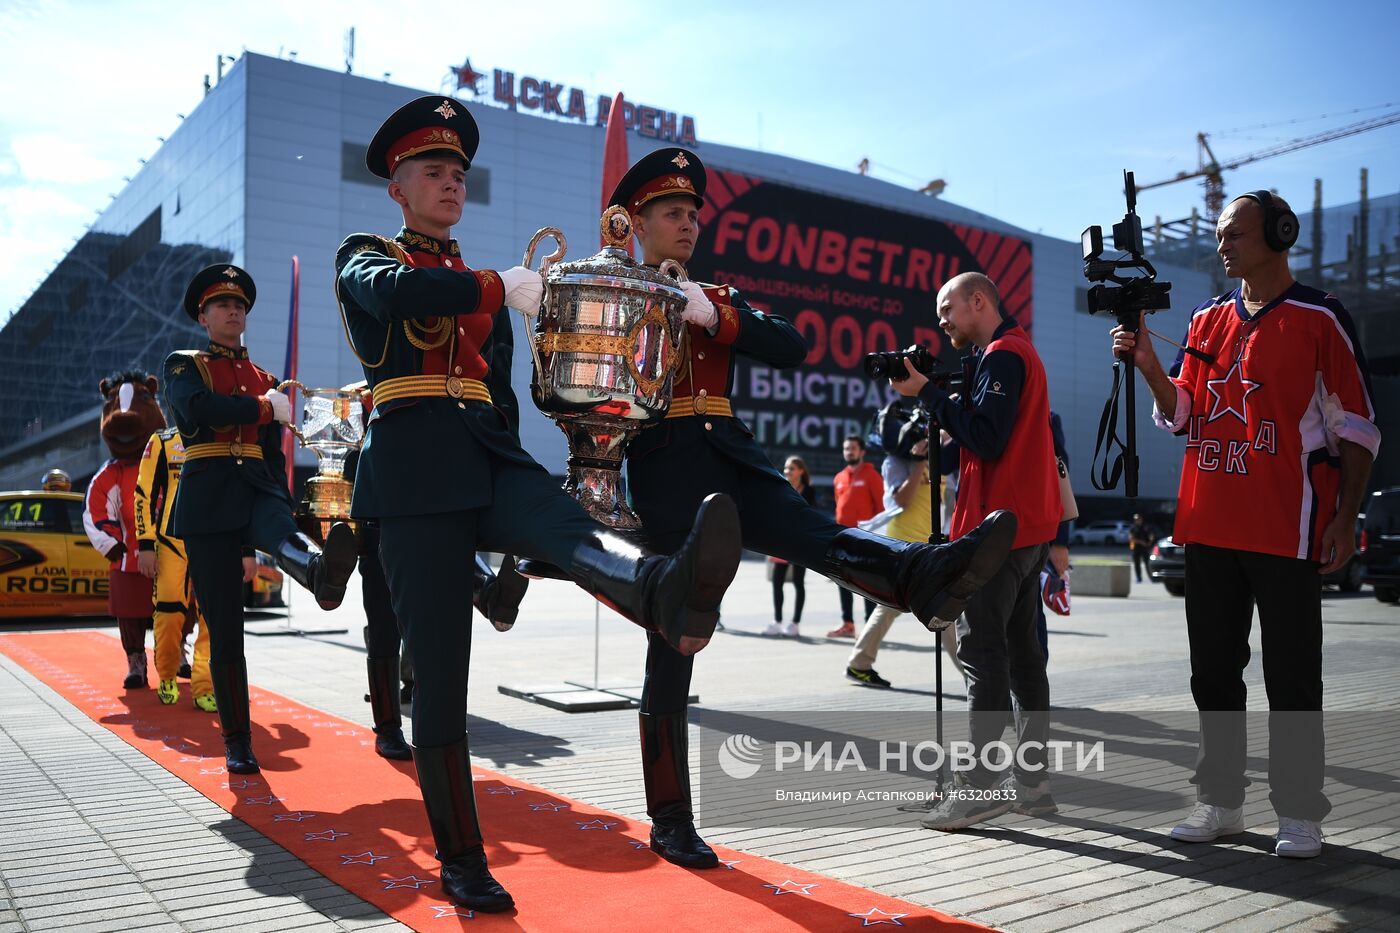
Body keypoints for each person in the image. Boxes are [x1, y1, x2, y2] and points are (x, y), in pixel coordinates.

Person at [334, 97, 743, 913]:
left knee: (568, 523)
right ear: (398, 189)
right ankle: (460, 858)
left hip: (483, 448)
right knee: (443, 679)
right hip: (413, 472)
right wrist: (489, 284)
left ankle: (666, 590)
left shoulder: (485, 285)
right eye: (433, 172)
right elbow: (394, 297)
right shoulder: (368, 253)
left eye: (458, 173)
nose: (451, 184)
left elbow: (498, 389)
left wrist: (519, 456)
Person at [615, 147, 1017, 869]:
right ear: (635, 221)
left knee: (820, 536)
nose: (688, 224)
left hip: (732, 455)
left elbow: (793, 343)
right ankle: (671, 817)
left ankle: (927, 575)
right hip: (665, 470)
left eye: (693, 213)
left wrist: (714, 314)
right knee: (673, 644)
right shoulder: (611, 290)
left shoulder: (716, 296)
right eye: (672, 213)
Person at [1111, 190, 1378, 859]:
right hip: (1205, 523)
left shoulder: (1321, 318)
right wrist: (1147, 365)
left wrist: (1346, 516)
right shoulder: (1204, 322)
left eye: (1235, 232)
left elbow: (1358, 429)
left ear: (1279, 234)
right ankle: (1222, 801)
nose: (1223, 244)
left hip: (1287, 526)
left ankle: (1298, 812)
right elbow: (1183, 415)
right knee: (1213, 674)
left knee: (1292, 675)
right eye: (1222, 233)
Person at [164, 264, 359, 778]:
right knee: (227, 629)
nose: (234, 312)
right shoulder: (185, 365)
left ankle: (318, 571)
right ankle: (237, 740)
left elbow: (273, 454)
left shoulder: (268, 380)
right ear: (204, 317)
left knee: (284, 532)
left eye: (240, 306)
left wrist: (287, 497)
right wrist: (261, 408)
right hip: (208, 496)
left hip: (254, 485)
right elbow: (197, 409)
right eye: (223, 306)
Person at [892, 272, 1061, 831]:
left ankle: (980, 787)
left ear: (979, 301)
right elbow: (989, 435)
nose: (942, 320)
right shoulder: (1011, 354)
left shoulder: (1005, 355)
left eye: (947, 308)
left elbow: (987, 438)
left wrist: (932, 396)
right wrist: (947, 403)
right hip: (1024, 527)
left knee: (983, 657)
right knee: (1023, 659)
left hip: (999, 531)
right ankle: (1032, 786)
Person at [340, 381, 528, 761]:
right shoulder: (371, 416)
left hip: (429, 515)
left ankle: (492, 595)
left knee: (442, 612)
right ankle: (387, 726)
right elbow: (350, 473)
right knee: (383, 629)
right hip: (382, 526)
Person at [846, 419, 962, 690]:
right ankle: (976, 680)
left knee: (911, 609)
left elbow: (949, 500)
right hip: (903, 546)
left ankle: (859, 663)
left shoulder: (943, 459)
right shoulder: (895, 462)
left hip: (930, 546)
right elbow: (901, 500)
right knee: (941, 611)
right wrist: (919, 461)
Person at [84, 372, 167, 689]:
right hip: (127, 558)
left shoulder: (170, 461)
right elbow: (94, 510)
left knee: (175, 609)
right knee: (130, 614)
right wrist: (114, 546)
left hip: (171, 554)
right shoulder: (110, 474)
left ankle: (176, 655)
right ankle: (136, 661)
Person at [133, 425, 215, 711]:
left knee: (213, 620)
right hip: (171, 543)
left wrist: (245, 549)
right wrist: (145, 545)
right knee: (168, 615)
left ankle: (205, 686)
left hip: (213, 541)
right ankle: (167, 674)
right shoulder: (162, 440)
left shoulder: (221, 433)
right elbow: (143, 493)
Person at [828, 435, 883, 637]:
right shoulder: (839, 478)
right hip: (843, 538)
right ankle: (848, 624)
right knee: (842, 580)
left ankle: (869, 626)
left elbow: (881, 508)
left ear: (862, 452)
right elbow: (839, 507)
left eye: (852, 448)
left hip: (866, 540)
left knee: (867, 583)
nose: (849, 452)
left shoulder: (872, 475)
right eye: (846, 448)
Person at [765, 456, 816, 636]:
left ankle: (794, 623)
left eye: (792, 468)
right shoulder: (781, 487)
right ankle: (777, 621)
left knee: (798, 582)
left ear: (801, 471)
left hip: (800, 543)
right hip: (781, 541)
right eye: (786, 468)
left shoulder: (809, 491)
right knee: (777, 583)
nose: (787, 472)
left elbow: (809, 516)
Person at [1128, 513, 1154, 583]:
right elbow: (1131, 538)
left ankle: (1151, 577)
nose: (1137, 521)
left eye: (1138, 519)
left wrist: (1150, 542)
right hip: (1136, 548)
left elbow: (1151, 535)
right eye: (1136, 519)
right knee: (1137, 564)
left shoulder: (1146, 527)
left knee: (1147, 563)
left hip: (1145, 548)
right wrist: (1141, 542)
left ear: (1141, 519)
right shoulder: (1133, 528)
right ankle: (1138, 577)